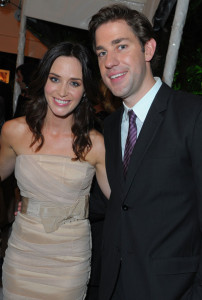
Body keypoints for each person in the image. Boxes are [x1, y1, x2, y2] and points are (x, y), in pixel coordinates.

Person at [88, 4, 202, 300]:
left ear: (148, 49)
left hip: (174, 290)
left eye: (121, 46)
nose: (110, 62)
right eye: (102, 52)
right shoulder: (111, 127)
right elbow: (113, 203)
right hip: (114, 284)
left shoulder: (193, 114)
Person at [0, 41, 110, 300]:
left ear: (85, 90)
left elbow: (124, 203)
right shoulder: (14, 132)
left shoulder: (96, 144)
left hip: (70, 259)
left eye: (74, 82)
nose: (62, 91)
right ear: (44, 81)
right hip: (23, 253)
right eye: (55, 79)